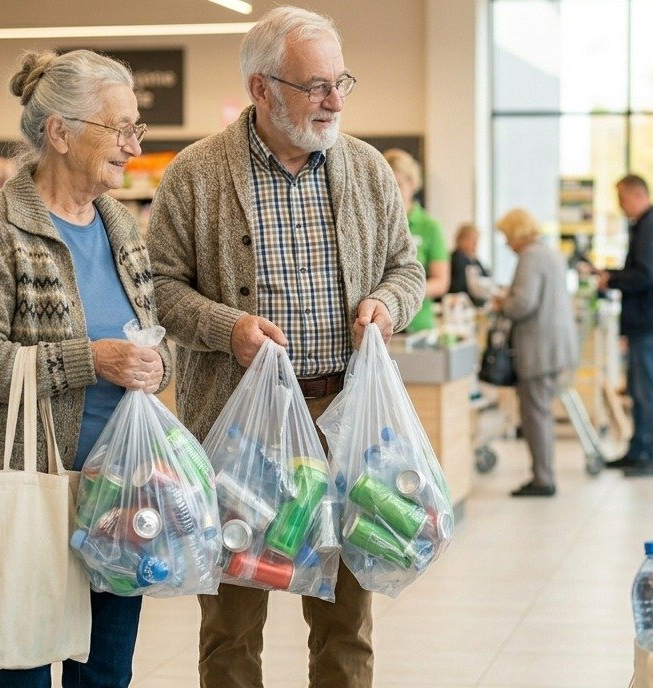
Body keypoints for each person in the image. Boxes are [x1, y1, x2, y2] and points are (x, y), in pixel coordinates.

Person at [145, 7, 424, 688]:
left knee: (346, 621)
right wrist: (225, 327)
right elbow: (157, 287)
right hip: (238, 428)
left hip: (344, 421)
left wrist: (387, 306)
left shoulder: (364, 169)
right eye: (315, 85)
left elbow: (406, 268)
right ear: (261, 88)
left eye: (340, 82)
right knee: (233, 622)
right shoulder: (196, 174)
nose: (334, 100)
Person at [0, 49, 167, 687]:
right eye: (118, 128)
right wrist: (87, 361)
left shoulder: (123, 228)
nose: (131, 144)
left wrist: (153, 364)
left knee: (105, 676)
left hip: (117, 496)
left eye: (135, 128)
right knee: (21, 677)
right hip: (21, 494)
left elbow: (153, 339)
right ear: (59, 133)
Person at [492, 208, 580, 497]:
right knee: (540, 412)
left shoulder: (529, 256)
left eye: (506, 236)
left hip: (539, 349)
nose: (506, 244)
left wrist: (502, 302)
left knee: (535, 415)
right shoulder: (549, 253)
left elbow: (523, 304)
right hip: (556, 345)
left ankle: (543, 478)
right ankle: (543, 474)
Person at [599, 174, 653, 478]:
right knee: (637, 388)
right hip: (641, 322)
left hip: (648, 322)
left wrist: (612, 280)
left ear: (636, 195)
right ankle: (637, 450)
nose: (620, 206)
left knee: (647, 391)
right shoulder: (646, 226)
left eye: (622, 199)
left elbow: (647, 274)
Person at [384, 148, 449, 333]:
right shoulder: (374, 223)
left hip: (417, 325)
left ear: (412, 183)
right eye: (386, 184)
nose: (391, 191)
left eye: (398, 184)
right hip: (379, 326)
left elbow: (441, 281)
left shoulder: (430, 226)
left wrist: (399, 295)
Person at [448, 222, 491, 306]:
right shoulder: (455, 259)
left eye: (477, 240)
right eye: (472, 240)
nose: (476, 244)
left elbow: (486, 277)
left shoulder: (475, 260)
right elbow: (459, 286)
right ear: (461, 240)